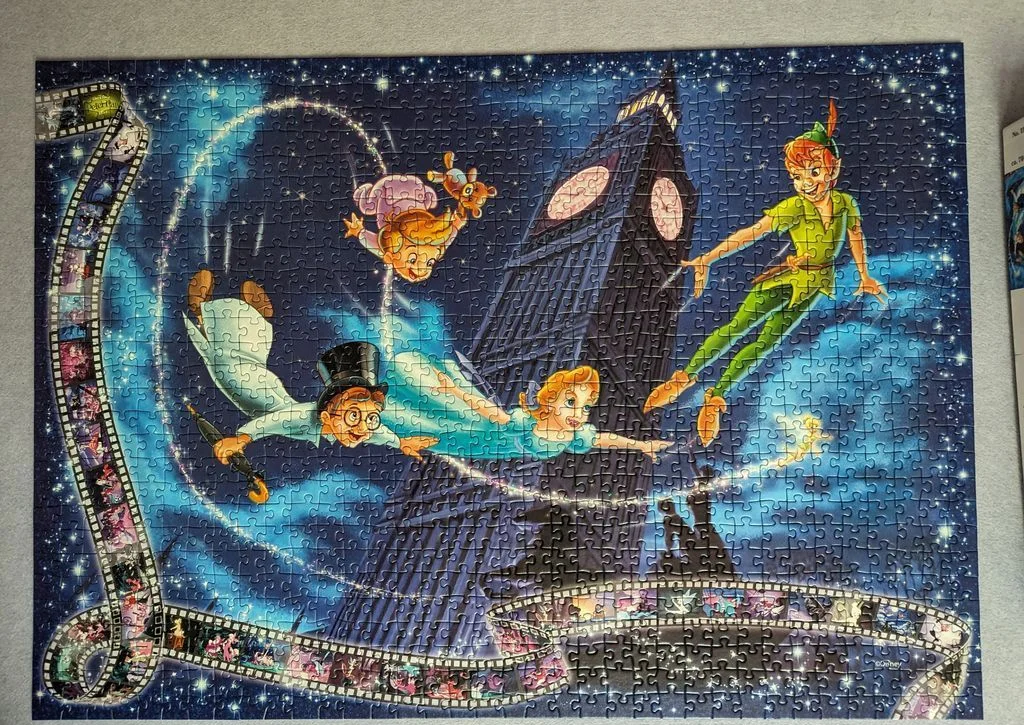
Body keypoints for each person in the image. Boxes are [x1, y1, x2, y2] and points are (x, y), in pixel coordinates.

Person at [644, 100, 888, 446]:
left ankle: (716, 397)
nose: (805, 183)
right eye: (797, 176)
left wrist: (864, 275)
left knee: (764, 345)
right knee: (737, 329)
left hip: (814, 284)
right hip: (781, 280)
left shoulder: (846, 203)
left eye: (813, 172)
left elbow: (855, 234)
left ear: (832, 168)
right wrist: (708, 258)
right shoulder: (794, 206)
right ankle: (685, 377)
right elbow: (752, 232)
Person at [184, 270, 436, 465]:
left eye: (369, 418)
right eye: (354, 417)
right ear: (326, 415)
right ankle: (203, 310)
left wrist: (400, 442)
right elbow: (273, 421)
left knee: (247, 358)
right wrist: (241, 438)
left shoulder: (349, 425)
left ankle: (253, 317)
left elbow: (377, 430)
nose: (362, 428)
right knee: (227, 365)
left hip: (270, 390)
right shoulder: (307, 416)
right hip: (251, 388)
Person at [383, 352, 673, 462]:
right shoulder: (527, 421)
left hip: (490, 451)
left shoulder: (574, 436)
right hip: (481, 433)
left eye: (586, 407)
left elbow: (603, 439)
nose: (578, 413)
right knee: (442, 427)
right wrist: (455, 391)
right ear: (550, 400)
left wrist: (641, 446)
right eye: (571, 402)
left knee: (442, 440)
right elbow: (490, 412)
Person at [342, 154, 494, 283]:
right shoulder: (402, 245)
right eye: (428, 262)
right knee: (373, 201)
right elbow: (446, 240)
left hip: (405, 202)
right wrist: (455, 226)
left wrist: (360, 232)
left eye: (428, 263)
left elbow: (375, 243)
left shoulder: (392, 248)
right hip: (393, 196)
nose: (423, 269)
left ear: (389, 257)